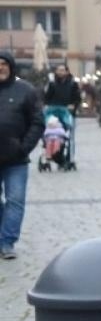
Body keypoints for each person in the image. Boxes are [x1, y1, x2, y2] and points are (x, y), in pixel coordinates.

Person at [0, 50, 44, 259]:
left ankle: (7, 242)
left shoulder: (25, 90)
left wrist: (23, 147)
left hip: (16, 159)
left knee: (15, 200)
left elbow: (37, 121)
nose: (0, 67)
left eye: (4, 64)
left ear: (11, 67)